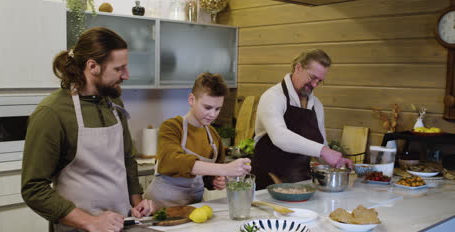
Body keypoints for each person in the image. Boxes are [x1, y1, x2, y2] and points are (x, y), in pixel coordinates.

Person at [21, 27, 156, 232]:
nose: (127, 74)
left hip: (123, 228)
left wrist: (137, 202)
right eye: (119, 68)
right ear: (93, 66)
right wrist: (90, 221)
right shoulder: (51, 113)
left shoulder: (113, 102)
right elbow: (34, 188)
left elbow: (126, 159)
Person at [144, 72, 251, 208]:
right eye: (207, 107)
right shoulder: (172, 127)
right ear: (191, 100)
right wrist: (224, 169)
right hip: (158, 208)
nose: (212, 114)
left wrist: (215, 181)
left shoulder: (213, 135)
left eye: (218, 109)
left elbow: (207, 177)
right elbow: (173, 161)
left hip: (192, 210)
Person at [252, 49, 353, 190]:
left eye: (319, 81)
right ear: (298, 67)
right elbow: (280, 137)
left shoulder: (316, 105)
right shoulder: (273, 97)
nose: (314, 85)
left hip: (300, 182)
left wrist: (335, 161)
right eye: (312, 77)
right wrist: (324, 151)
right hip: (268, 180)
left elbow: (319, 144)